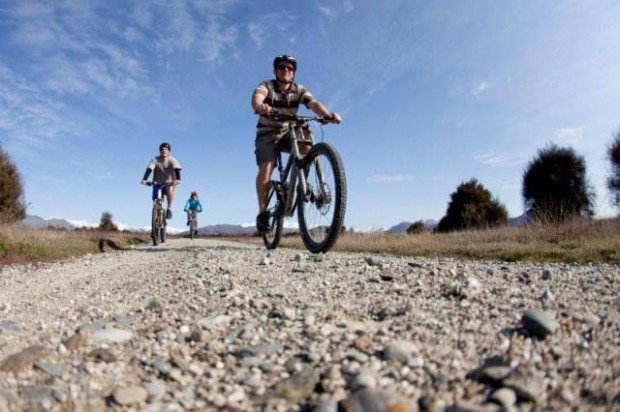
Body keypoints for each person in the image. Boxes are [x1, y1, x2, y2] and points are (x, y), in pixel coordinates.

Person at [251, 54, 342, 232]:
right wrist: (261, 106)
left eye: (290, 68)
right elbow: (257, 99)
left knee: (307, 143)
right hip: (267, 134)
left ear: (293, 73)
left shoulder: (299, 89)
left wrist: (327, 115)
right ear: (275, 70)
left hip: (289, 131)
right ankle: (262, 213)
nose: (286, 70)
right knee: (267, 168)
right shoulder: (267, 85)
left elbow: (313, 102)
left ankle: (301, 180)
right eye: (282, 67)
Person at [140, 142, 181, 219]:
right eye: (162, 149)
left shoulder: (172, 160)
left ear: (169, 151)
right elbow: (149, 169)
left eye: (166, 149)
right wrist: (144, 180)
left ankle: (169, 209)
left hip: (168, 183)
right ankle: (157, 222)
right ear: (160, 151)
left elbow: (176, 169)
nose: (164, 151)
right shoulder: (155, 159)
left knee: (170, 189)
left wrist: (178, 179)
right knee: (157, 201)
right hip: (157, 183)